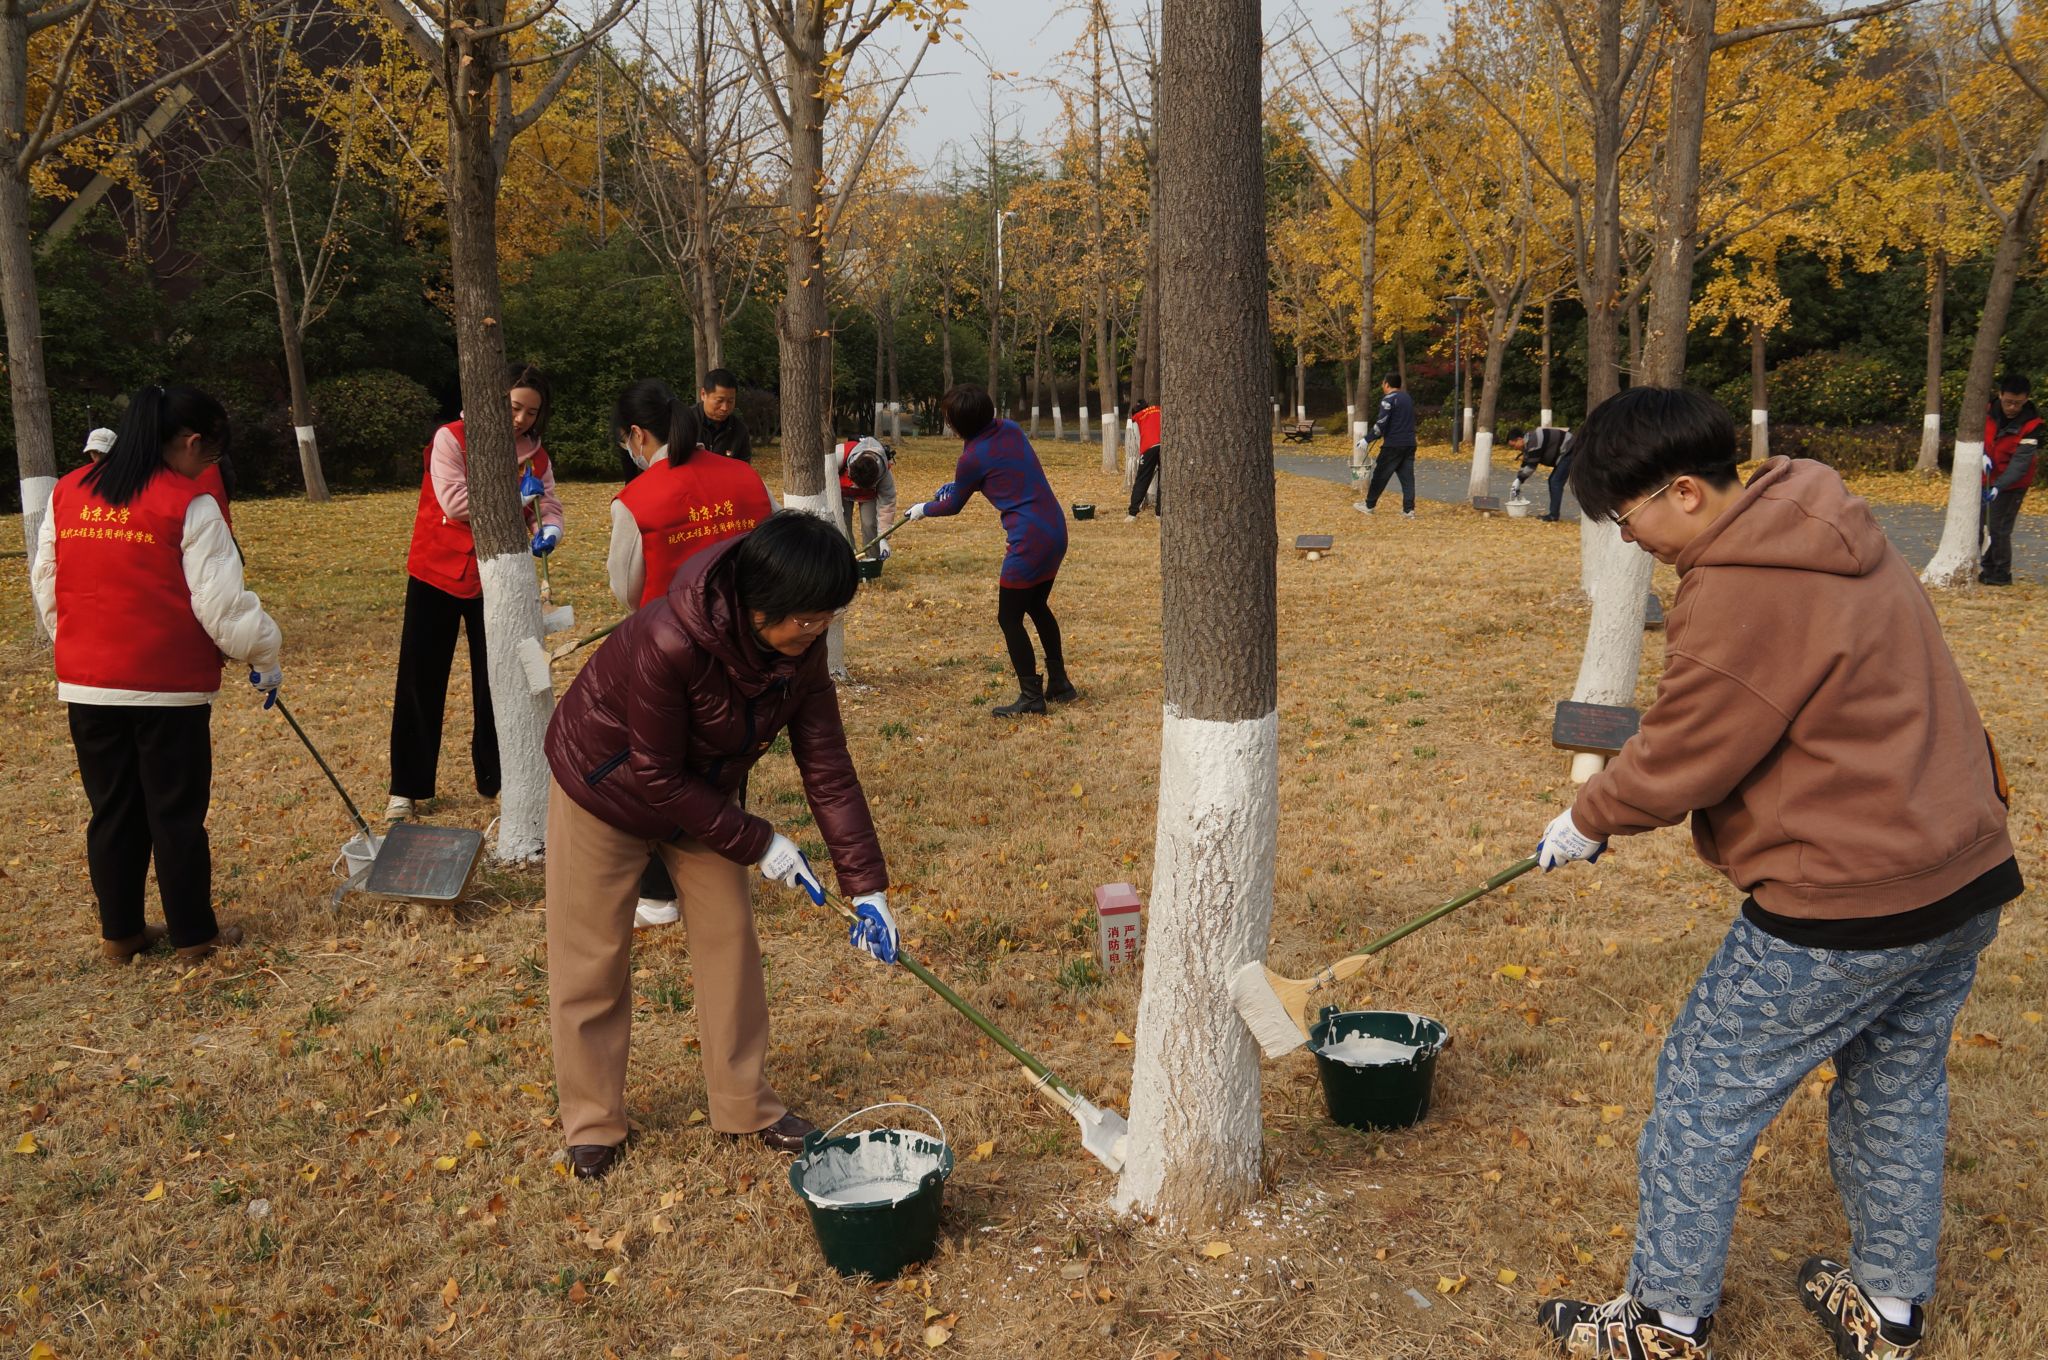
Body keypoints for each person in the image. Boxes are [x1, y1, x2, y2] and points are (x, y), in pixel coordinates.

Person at [1532, 388, 2020, 1360]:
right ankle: (1888, 1310)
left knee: (1702, 1086)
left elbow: (1681, 754)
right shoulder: (1814, 515)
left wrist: (1584, 818)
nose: (1628, 543)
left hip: (1848, 899)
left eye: (1626, 521)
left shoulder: (1742, 587)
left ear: (1681, 491)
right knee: (1893, 1087)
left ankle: (1664, 1319)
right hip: (1959, 873)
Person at [542, 511, 896, 1178]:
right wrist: (760, 842)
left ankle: (745, 1104)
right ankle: (593, 1121)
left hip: (700, 793)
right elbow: (653, 773)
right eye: (806, 619)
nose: (817, 631)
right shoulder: (670, 638)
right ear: (759, 606)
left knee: (730, 941)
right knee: (590, 957)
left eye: (827, 617)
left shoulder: (800, 645)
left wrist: (867, 886)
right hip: (605, 787)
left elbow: (826, 764)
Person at [30, 385, 283, 964]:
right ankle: (194, 935)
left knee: (112, 810)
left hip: (89, 682)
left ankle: (120, 933)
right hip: (167, 688)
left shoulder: (69, 492)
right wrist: (265, 656)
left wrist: (74, 641)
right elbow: (223, 608)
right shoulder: (191, 504)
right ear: (193, 443)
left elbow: (48, 582)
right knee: (174, 814)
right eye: (210, 455)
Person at [607, 378, 776, 929]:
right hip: (744, 647)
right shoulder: (744, 476)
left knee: (664, 764)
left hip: (670, 650)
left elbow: (626, 590)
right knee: (731, 750)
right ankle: (720, 870)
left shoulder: (637, 499)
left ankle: (659, 893)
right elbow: (775, 553)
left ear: (636, 435)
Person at [386, 363, 564, 822]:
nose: (521, 419)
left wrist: (551, 530)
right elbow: (455, 502)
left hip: (499, 577)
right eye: (513, 406)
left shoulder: (536, 454)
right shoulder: (451, 438)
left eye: (531, 412)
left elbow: (551, 504)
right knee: (421, 682)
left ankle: (497, 779)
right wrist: (520, 498)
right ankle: (406, 788)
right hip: (436, 572)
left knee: (498, 680)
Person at [906, 383, 1075, 716]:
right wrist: (958, 485)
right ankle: (1060, 684)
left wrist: (922, 509)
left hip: (1029, 541)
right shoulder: (1009, 429)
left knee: (1008, 617)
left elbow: (954, 506)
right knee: (1037, 605)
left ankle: (1031, 698)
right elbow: (1003, 470)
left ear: (958, 425)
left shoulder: (971, 458)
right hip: (1054, 528)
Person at [1979, 372, 2039, 586]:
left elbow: (2020, 464)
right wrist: (1980, 455)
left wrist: (1999, 486)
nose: (2012, 407)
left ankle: (2001, 573)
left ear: (2026, 399)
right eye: (2008, 402)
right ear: (2000, 395)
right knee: (1981, 524)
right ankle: (1987, 569)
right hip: (1985, 477)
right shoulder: (1985, 411)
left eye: (2018, 403)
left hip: (2012, 484)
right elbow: (1976, 435)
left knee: (1999, 527)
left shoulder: (2033, 425)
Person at [1356, 373, 1417, 518]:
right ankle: (1409, 510)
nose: (1382, 386)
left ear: (1387, 384)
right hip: (1409, 443)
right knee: (1407, 478)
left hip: (1393, 445)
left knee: (1380, 475)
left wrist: (1367, 439)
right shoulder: (1407, 398)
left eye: (1383, 383)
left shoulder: (1388, 400)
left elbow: (1381, 424)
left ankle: (1369, 505)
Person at [835, 435, 899, 555]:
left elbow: (887, 504)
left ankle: (872, 558)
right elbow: (824, 475)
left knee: (869, 524)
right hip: (841, 492)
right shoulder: (840, 454)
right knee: (843, 524)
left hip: (868, 496)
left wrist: (883, 537)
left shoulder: (884, 474)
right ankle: (847, 556)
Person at [1506, 425, 1575, 521]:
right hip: (1564, 452)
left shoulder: (1533, 442)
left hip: (1570, 449)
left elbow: (1531, 466)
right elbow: (1525, 463)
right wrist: (1518, 480)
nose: (1514, 448)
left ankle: (1553, 516)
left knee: (1555, 482)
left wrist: (1519, 480)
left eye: (1513, 445)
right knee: (1553, 481)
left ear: (1519, 439)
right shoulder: (1527, 443)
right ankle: (1554, 514)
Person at [1124, 399, 1162, 520]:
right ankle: (1159, 513)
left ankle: (1132, 513)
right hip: (1165, 445)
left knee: (1142, 479)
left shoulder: (1137, 417)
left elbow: (1138, 439)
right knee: (1163, 480)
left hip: (1149, 447)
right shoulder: (1159, 408)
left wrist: (1144, 456)